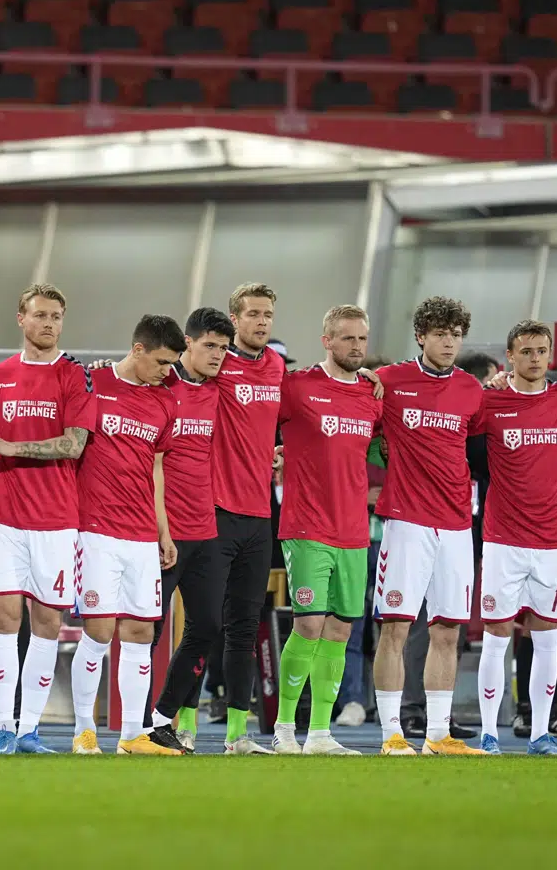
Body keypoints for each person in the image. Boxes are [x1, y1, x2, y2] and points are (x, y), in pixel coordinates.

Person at [369, 297, 486, 755]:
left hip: (457, 525)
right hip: (407, 523)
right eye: (441, 334)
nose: (449, 342)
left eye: (456, 335)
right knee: (396, 628)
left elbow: (478, 441)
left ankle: (439, 734)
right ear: (421, 335)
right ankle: (391, 735)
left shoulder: (471, 389)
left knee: (448, 631)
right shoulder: (389, 380)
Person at [0, 284, 94, 754]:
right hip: (2, 517)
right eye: (40, 315)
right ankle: (5, 728)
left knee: (48, 622)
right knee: (3, 620)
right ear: (21, 318)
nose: (48, 324)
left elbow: (74, 444)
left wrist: (14, 448)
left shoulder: (74, 375)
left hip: (56, 518)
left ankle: (29, 729)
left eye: (56, 316)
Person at [69, 314, 184, 755]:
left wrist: (163, 530)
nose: (167, 371)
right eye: (160, 361)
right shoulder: (92, 382)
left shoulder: (165, 401)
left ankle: (132, 735)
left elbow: (156, 467)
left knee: (139, 633)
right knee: (98, 631)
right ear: (137, 350)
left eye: (173, 363)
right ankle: (84, 732)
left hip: (140, 534)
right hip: (95, 530)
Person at [272, 305, 382, 756]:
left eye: (361, 339)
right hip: (306, 525)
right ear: (327, 341)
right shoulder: (297, 389)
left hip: (356, 530)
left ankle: (320, 734)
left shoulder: (373, 395)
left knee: (339, 631)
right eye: (347, 338)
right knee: (310, 624)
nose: (356, 346)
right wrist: (273, 453)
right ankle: (282, 728)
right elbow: (254, 422)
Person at [473, 320, 557, 755]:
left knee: (547, 638)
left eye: (541, 351)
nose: (535, 358)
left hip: (553, 540)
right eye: (526, 351)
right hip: (502, 538)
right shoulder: (490, 401)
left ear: (549, 355)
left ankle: (539, 733)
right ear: (510, 356)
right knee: (497, 636)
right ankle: (488, 734)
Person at [146, 307, 235, 752]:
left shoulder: (219, 391)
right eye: (209, 346)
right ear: (187, 342)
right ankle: (139, 729)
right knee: (150, 631)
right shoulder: (161, 387)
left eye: (223, 347)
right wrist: (161, 530)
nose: (218, 355)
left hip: (206, 529)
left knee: (208, 627)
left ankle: (163, 717)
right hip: (162, 532)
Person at [205, 282, 287, 754]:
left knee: (244, 625)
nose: (261, 321)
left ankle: (239, 734)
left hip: (259, 514)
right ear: (234, 319)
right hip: (212, 509)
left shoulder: (277, 367)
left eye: (268, 314)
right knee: (203, 626)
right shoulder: (216, 363)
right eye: (253, 313)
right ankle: (186, 723)